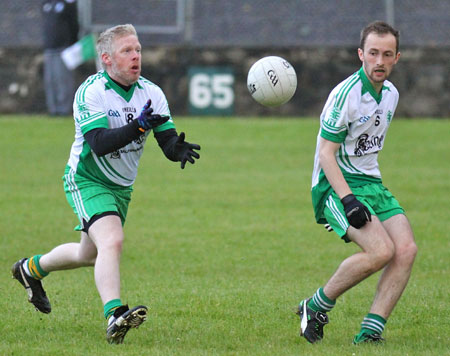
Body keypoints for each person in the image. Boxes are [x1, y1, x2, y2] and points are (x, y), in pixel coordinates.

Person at [12, 24, 200, 344]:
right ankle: (114, 315)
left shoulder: (151, 92)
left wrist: (174, 149)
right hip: (87, 178)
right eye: (127, 51)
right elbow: (99, 143)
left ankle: (30, 269)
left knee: (89, 254)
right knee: (111, 240)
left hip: (121, 186)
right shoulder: (91, 91)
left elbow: (166, 139)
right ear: (107, 59)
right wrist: (138, 127)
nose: (136, 56)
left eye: (138, 49)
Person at [297, 21, 417, 344]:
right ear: (361, 54)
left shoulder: (391, 94)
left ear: (397, 58)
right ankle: (315, 306)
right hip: (333, 183)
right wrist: (345, 201)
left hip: (370, 182)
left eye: (387, 55)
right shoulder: (345, 95)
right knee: (380, 251)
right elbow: (326, 155)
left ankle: (370, 333)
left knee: (405, 250)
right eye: (373, 53)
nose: (379, 61)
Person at [42, 0, 79, 116]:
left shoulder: (67, 4)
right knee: (50, 80)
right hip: (49, 48)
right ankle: (53, 109)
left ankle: (64, 109)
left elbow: (74, 24)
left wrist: (71, 43)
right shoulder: (46, 4)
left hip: (63, 48)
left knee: (63, 79)